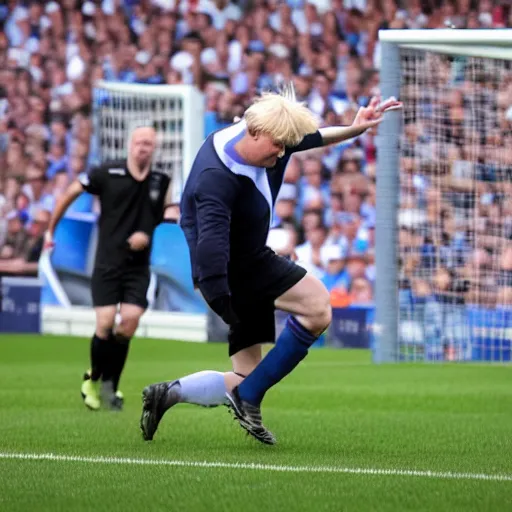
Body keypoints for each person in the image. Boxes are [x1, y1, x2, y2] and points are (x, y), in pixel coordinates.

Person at [140, 88, 401, 443]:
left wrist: (354, 129)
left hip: (243, 259)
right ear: (255, 133)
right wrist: (226, 304)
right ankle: (247, 400)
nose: (281, 154)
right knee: (318, 309)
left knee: (245, 375)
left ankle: (169, 394)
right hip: (236, 269)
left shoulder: (262, 134)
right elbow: (210, 248)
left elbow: (305, 138)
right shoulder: (215, 179)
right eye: (277, 146)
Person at [45, 125, 172, 411]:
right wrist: (50, 230)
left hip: (138, 267)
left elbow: (164, 213)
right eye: (139, 142)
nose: (143, 147)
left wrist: (148, 233)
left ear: (155, 148)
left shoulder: (160, 180)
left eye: (149, 143)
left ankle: (110, 387)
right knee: (104, 324)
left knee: (128, 323)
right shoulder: (107, 172)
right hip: (107, 264)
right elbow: (69, 193)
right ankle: (94, 378)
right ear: (130, 144)